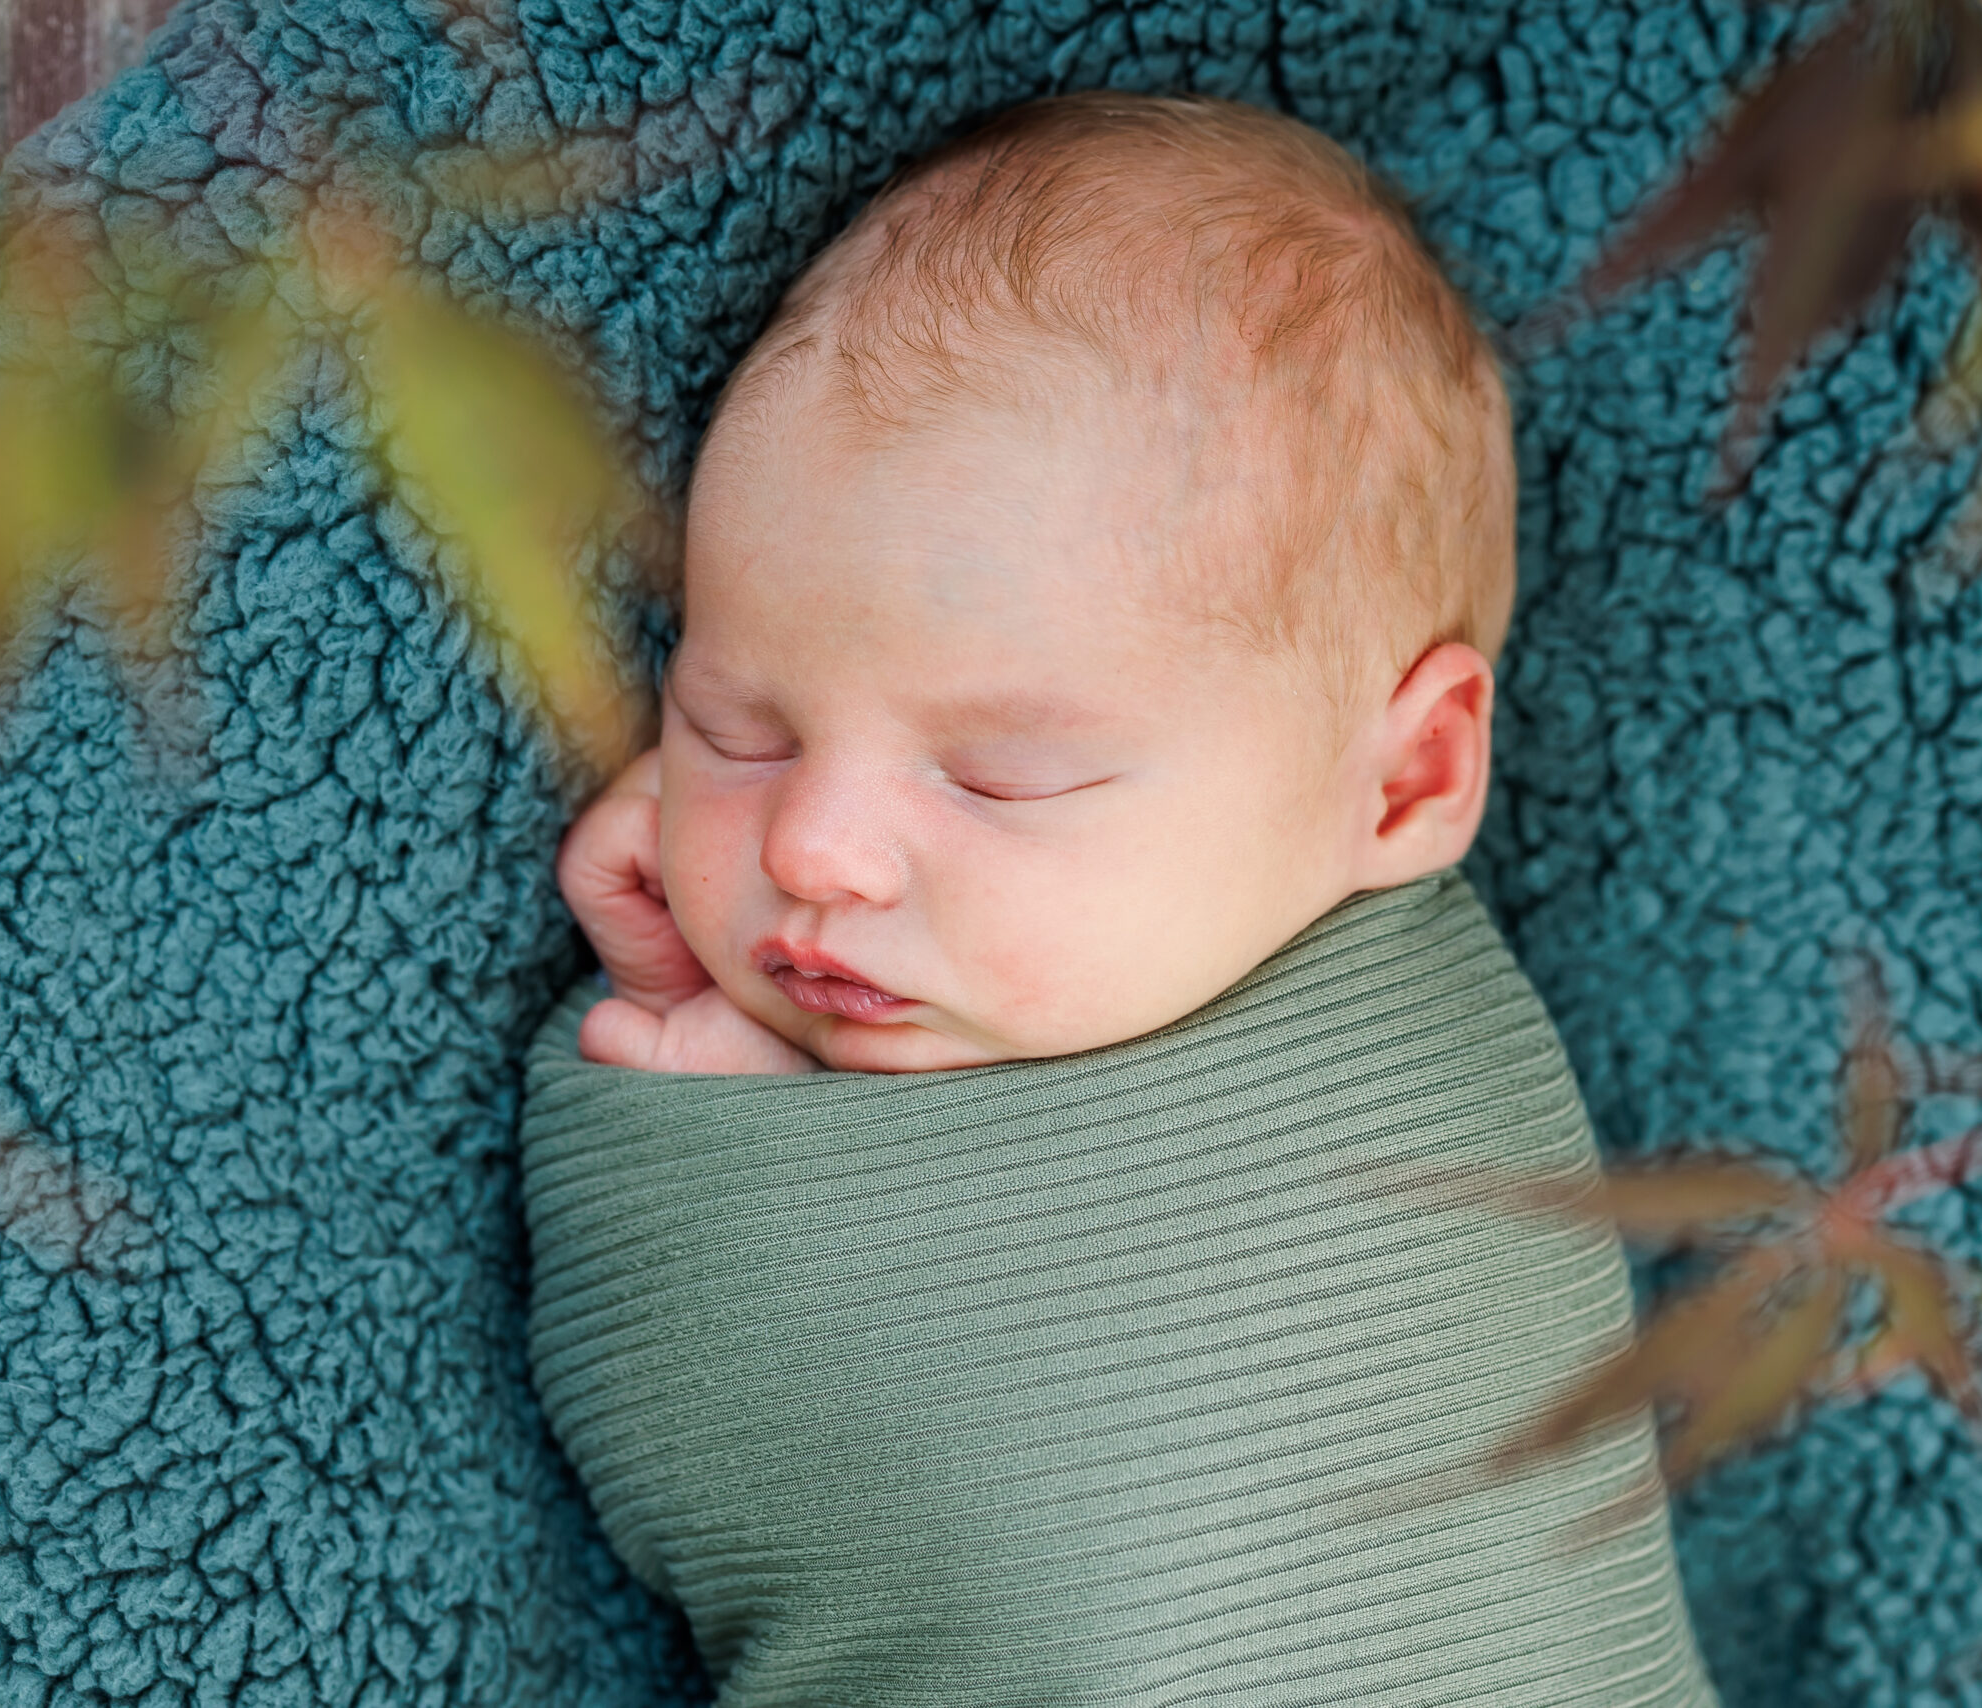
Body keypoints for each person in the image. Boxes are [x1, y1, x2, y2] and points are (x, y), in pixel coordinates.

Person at [522, 90, 1720, 1704]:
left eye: (999, 777)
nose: (812, 845)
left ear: (1407, 786)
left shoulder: (1431, 1109)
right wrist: (714, 1094)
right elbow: (792, 1453)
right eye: (738, 728)